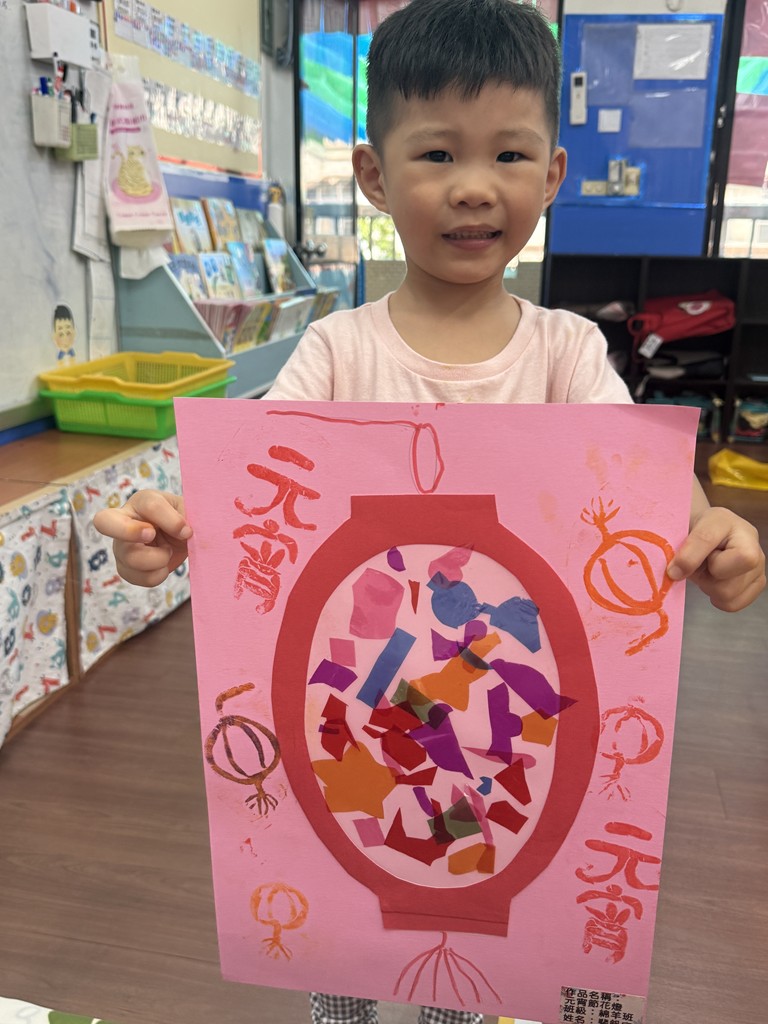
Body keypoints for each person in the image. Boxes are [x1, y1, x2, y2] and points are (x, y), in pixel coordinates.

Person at [94, 1, 766, 1022]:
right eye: (438, 152)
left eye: (509, 155)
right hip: (355, 731)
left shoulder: (569, 353)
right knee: (348, 952)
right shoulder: (335, 352)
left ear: (553, 174)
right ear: (373, 174)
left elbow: (651, 497)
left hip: (507, 738)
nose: (473, 185)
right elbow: (247, 498)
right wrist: (167, 537)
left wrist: (714, 532)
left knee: (480, 948)